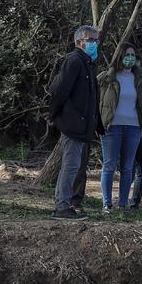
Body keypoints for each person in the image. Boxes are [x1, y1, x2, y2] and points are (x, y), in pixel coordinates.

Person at [48, 25, 104, 221]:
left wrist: (97, 125)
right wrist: (53, 114)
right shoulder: (74, 61)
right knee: (70, 166)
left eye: (96, 40)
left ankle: (66, 204)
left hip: (83, 125)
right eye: (91, 40)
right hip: (73, 124)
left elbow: (91, 98)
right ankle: (62, 206)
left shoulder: (88, 63)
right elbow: (60, 90)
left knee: (75, 166)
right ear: (80, 42)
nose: (95, 44)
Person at [98, 43, 142, 213]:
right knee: (109, 165)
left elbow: (141, 103)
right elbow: (99, 102)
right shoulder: (107, 77)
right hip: (112, 127)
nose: (131, 58)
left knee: (128, 167)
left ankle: (122, 204)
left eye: (133, 55)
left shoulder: (139, 78)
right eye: (127, 54)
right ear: (119, 56)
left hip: (134, 127)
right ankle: (107, 204)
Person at [130, 133, 142, 209]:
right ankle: (121, 203)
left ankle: (134, 204)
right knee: (128, 171)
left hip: (140, 132)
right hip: (121, 130)